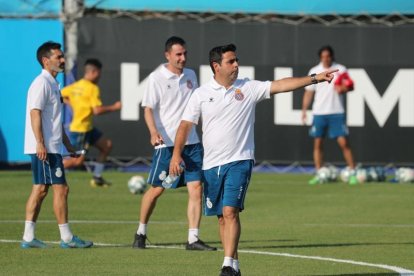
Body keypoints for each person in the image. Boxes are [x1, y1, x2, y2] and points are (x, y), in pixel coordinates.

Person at [169, 44, 336, 276]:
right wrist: (176, 154)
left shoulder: (248, 87)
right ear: (216, 66)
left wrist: (314, 78)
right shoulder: (200, 94)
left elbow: (281, 85)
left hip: (240, 160)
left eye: (237, 60)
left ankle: (227, 264)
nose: (236, 65)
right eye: (231, 61)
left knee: (230, 212)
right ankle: (234, 266)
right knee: (221, 218)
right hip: (211, 166)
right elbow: (186, 125)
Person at [131, 36, 216, 251]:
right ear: (167, 55)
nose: (183, 58)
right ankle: (141, 232)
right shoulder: (156, 78)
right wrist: (153, 132)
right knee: (158, 189)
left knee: (196, 188)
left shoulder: (191, 75)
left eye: (185, 53)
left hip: (192, 142)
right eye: (178, 54)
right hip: (167, 144)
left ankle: (193, 239)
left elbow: (195, 107)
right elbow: (148, 108)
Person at [22, 41, 93, 249]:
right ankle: (67, 238)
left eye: (62, 56)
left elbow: (54, 120)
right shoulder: (41, 83)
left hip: (51, 147)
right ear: (46, 61)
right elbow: (35, 113)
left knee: (41, 189)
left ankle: (28, 237)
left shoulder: (53, 83)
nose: (63, 60)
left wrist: (68, 146)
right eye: (58, 57)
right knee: (60, 189)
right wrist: (40, 144)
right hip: (45, 148)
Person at [301, 46, 357, 185]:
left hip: (336, 112)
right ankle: (320, 173)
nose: (326, 58)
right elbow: (309, 92)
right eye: (323, 56)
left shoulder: (341, 69)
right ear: (320, 57)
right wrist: (304, 110)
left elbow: (350, 86)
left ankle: (352, 172)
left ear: (332, 56)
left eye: (328, 56)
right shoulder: (314, 71)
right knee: (318, 143)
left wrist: (343, 88)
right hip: (319, 112)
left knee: (344, 143)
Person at [61, 59, 121, 187]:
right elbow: (97, 110)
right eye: (99, 73)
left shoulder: (76, 86)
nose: (100, 76)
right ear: (94, 72)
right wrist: (114, 107)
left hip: (87, 128)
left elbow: (60, 94)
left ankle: (97, 178)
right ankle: (50, 170)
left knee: (107, 146)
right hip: (81, 130)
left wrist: (70, 103)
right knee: (76, 162)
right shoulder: (92, 88)